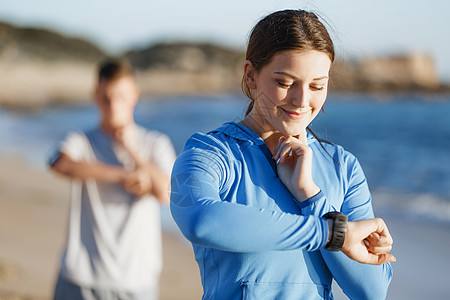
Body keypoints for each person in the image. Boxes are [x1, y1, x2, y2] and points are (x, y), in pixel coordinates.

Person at [170, 9, 395, 300]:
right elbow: (202, 221)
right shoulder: (212, 153)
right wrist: (331, 233)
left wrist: (310, 195)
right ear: (250, 75)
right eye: (285, 82)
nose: (302, 101)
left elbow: (372, 292)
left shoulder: (342, 167)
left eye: (317, 85)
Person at [48, 59, 176, 300]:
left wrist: (130, 148)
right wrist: (123, 176)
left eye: (121, 97)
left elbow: (167, 193)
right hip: (79, 277)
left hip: (135, 282)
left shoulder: (155, 144)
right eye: (106, 97)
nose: (114, 105)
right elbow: (60, 164)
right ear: (96, 95)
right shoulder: (82, 140)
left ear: (135, 95)